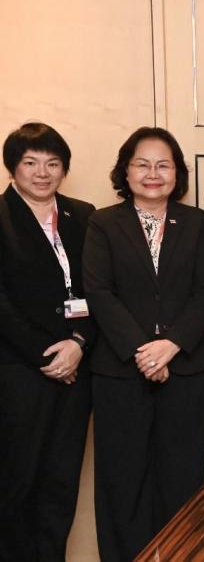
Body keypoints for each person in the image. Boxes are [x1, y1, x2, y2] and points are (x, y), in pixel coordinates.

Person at [83, 127, 204, 561]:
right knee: (122, 481)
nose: (153, 174)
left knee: (182, 479)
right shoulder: (104, 223)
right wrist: (144, 351)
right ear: (126, 171)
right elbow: (99, 292)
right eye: (142, 164)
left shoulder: (197, 223)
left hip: (184, 368)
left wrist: (171, 345)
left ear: (177, 173)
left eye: (163, 165)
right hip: (121, 371)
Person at [0, 122, 95, 561]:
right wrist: (48, 356)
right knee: (17, 483)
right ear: (12, 168)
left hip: (77, 366)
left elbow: (100, 288)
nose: (42, 173)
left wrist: (78, 344)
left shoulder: (83, 215)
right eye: (31, 163)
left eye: (53, 163)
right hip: (20, 373)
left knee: (61, 483)